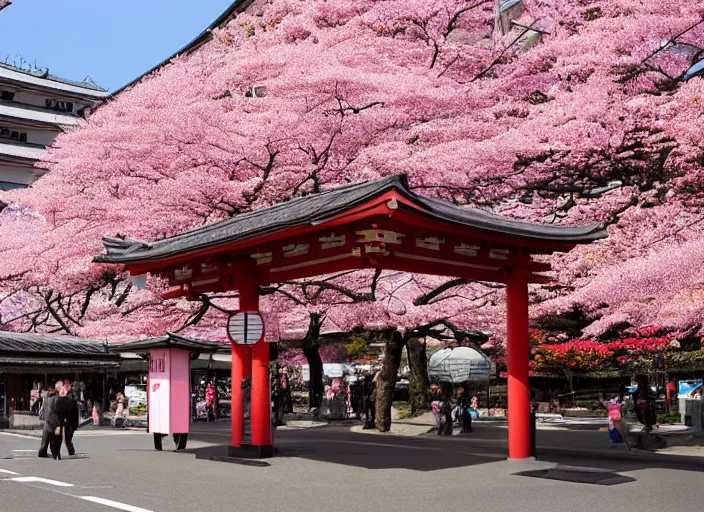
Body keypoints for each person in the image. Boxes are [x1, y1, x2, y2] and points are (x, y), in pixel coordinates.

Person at [37, 381, 62, 459]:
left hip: (50, 422)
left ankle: (51, 453)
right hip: (51, 422)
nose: (50, 391)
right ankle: (52, 453)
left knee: (49, 440)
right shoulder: (50, 397)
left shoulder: (50, 398)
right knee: (49, 440)